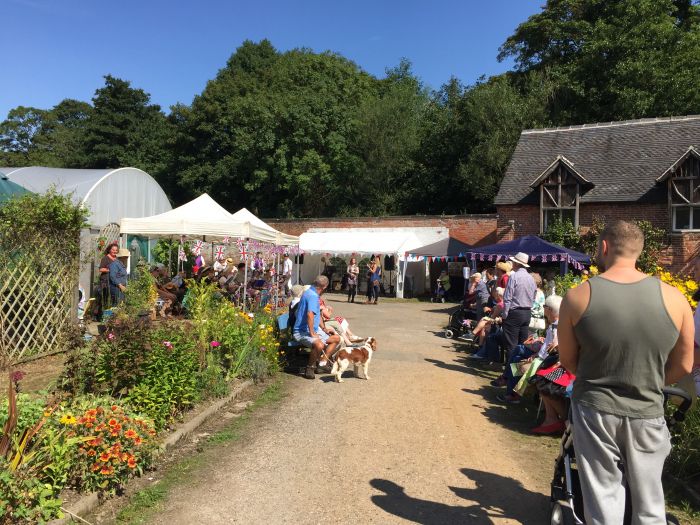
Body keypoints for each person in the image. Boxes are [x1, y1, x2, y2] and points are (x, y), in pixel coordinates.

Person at [558, 220, 694, 524]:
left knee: (605, 496)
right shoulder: (676, 299)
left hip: (595, 409)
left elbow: (567, 360)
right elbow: (685, 365)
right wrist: (649, 381)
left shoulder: (577, 297)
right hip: (647, 409)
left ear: (604, 246)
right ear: (640, 251)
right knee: (649, 500)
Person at [495, 294, 562, 404]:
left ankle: (511, 389)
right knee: (517, 355)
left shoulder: (556, 326)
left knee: (519, 353)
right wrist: (542, 340)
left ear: (549, 309)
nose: (543, 308)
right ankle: (511, 391)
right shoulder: (556, 324)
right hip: (543, 356)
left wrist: (536, 357)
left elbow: (552, 348)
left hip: (545, 360)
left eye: (544, 306)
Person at [292, 276, 340, 380]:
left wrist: (324, 329)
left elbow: (317, 315)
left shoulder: (311, 293)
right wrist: (313, 332)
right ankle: (310, 368)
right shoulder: (313, 296)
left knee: (336, 338)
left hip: (313, 329)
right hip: (301, 332)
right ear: (324, 287)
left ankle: (322, 364)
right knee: (319, 344)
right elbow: (310, 315)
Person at [500, 252, 536, 358]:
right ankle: (519, 372)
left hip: (515, 313)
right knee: (522, 344)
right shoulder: (531, 278)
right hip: (527, 312)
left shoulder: (514, 277)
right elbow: (534, 296)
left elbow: (507, 297)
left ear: (516, 264)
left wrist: (505, 314)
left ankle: (509, 373)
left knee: (511, 344)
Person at [98, 242, 119, 312]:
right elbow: (101, 269)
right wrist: (109, 270)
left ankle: (112, 314)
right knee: (105, 299)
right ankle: (101, 315)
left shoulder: (117, 259)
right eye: (113, 250)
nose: (115, 251)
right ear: (110, 250)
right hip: (105, 281)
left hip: (113, 282)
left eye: (116, 250)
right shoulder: (105, 258)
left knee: (114, 299)